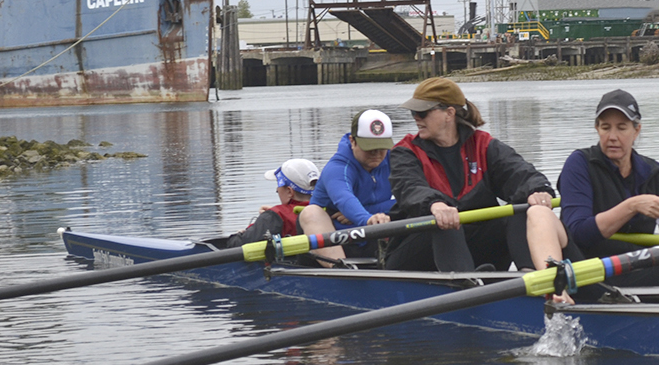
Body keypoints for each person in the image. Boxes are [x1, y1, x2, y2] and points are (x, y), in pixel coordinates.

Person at [386, 77, 566, 272]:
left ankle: (529, 275)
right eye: (414, 112)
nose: (416, 118)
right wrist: (434, 204)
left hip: (474, 248)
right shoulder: (405, 151)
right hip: (415, 252)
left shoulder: (483, 145)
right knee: (445, 223)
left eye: (421, 112)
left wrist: (537, 190)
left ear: (449, 113)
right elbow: (409, 187)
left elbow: (519, 172)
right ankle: (466, 285)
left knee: (522, 207)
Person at [557, 89, 659, 298]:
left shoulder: (652, 172)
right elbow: (577, 231)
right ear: (597, 129)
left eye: (622, 128)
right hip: (594, 275)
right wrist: (631, 206)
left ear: (636, 130)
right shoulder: (579, 164)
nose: (612, 137)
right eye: (606, 128)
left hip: (641, 268)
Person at [300, 109, 396, 263]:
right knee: (311, 212)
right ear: (353, 141)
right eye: (369, 147)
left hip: (369, 235)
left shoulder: (395, 158)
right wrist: (368, 219)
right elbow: (344, 199)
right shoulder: (337, 167)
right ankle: (340, 274)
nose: (376, 153)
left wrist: (371, 213)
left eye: (381, 147)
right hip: (335, 236)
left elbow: (410, 196)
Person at [224, 158, 321, 247]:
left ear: (289, 191)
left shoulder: (274, 217)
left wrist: (269, 218)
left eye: (278, 185)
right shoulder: (328, 211)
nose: (277, 190)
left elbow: (235, 245)